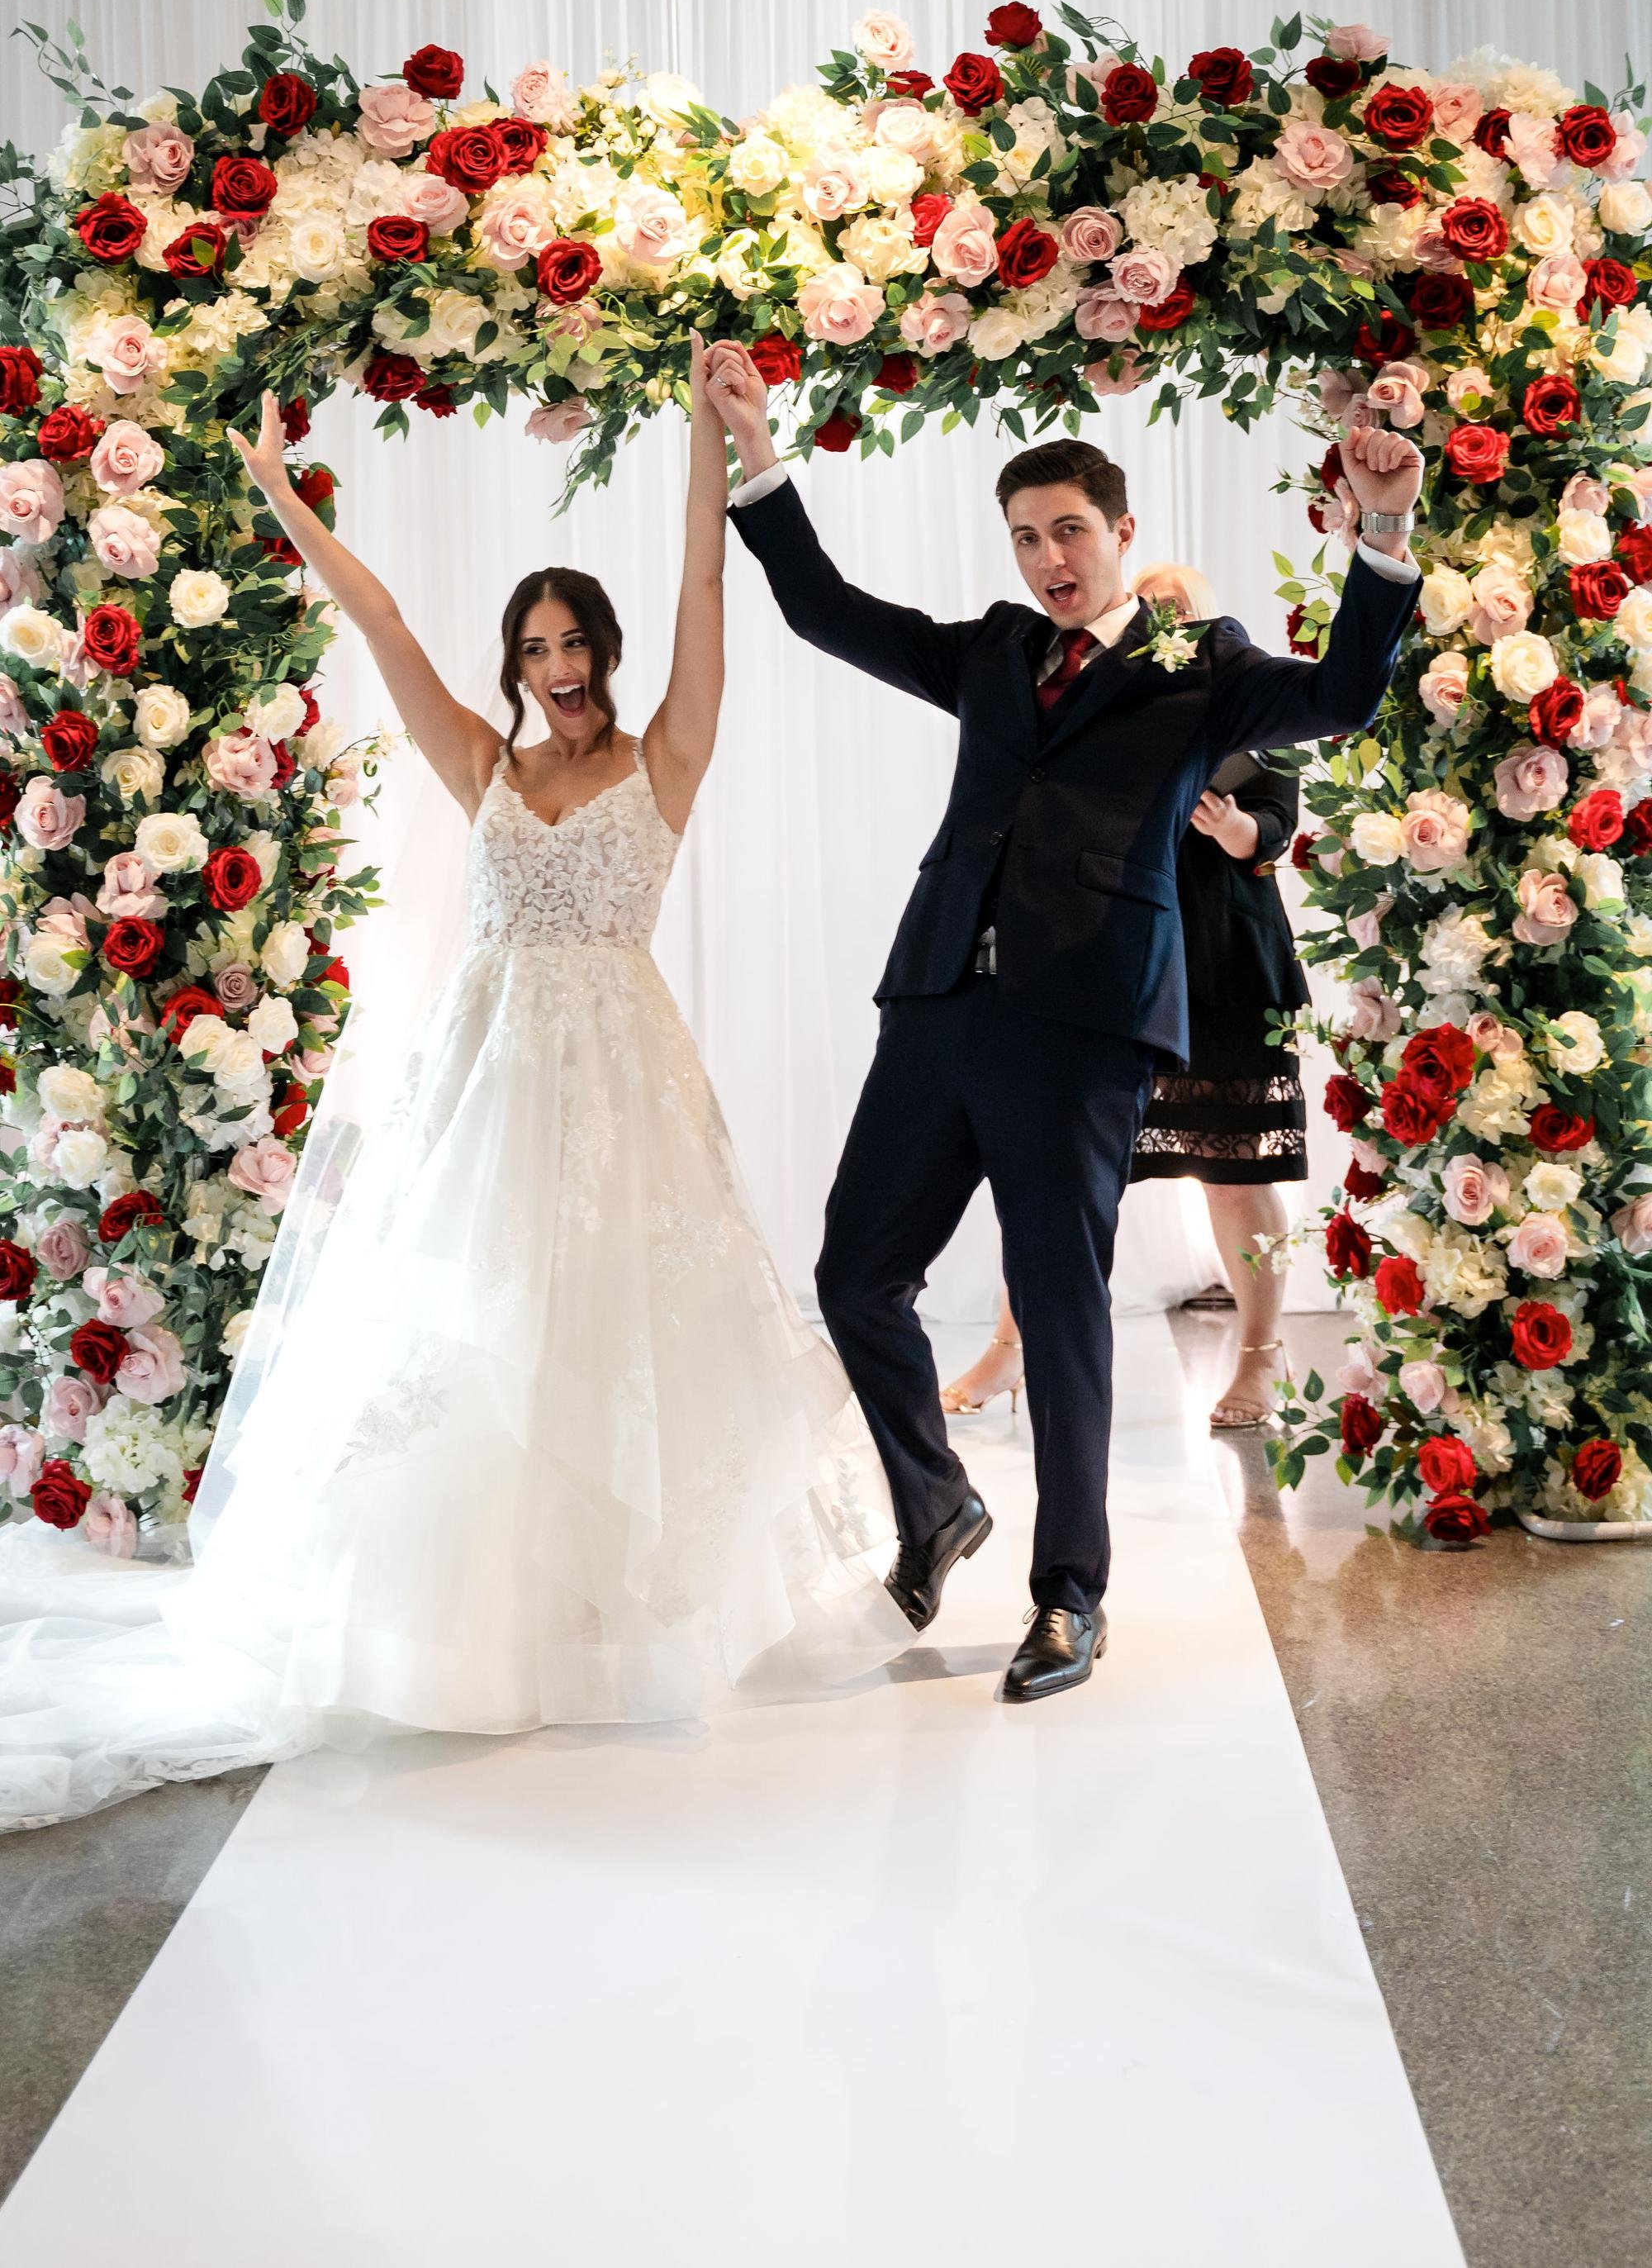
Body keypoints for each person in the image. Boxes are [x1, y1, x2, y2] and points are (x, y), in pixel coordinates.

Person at [0, 350, 885, 1829]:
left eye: (573, 636)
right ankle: (470, 1627)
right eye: (534, 642)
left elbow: (703, 596)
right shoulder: (479, 759)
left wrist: (703, 442)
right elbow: (383, 621)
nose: (556, 660)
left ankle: (605, 1617)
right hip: (482, 1079)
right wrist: (279, 486)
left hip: (620, 1080)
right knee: (468, 1331)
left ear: (602, 645)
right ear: (516, 661)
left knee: (609, 1329)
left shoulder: (668, 756)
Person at [707, 357, 1424, 1704]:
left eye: (1071, 532)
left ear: (1122, 535)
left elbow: (1338, 697)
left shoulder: (1193, 665)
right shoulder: (987, 652)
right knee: (858, 1275)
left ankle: (1069, 1595)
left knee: (1062, 1307)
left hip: (1083, 1023)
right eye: (1028, 536)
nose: (1049, 558)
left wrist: (1381, 538)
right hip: (938, 1006)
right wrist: (756, 448)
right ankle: (935, 1506)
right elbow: (824, 609)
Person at [945, 565, 1311, 1440]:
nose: (1161, 629)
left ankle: (1261, 1355)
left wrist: (1234, 829)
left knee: (1234, 1172)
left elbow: (1273, 818)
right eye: (1146, 614)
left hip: (1226, 963)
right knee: (1057, 1172)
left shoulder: (1245, 703)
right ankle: (1012, 1342)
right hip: (1112, 967)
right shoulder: (1088, 710)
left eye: (1177, 612)